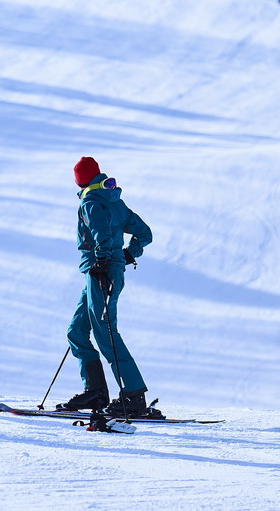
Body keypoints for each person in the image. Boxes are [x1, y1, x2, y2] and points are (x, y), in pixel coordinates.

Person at [58, 156, 158, 417]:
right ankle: (96, 391)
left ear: (79, 179)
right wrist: (127, 254)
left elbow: (101, 234)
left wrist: (105, 259)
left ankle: (133, 396)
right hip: (99, 273)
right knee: (77, 331)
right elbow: (144, 233)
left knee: (105, 332)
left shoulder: (90, 201)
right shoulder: (114, 199)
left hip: (101, 273)